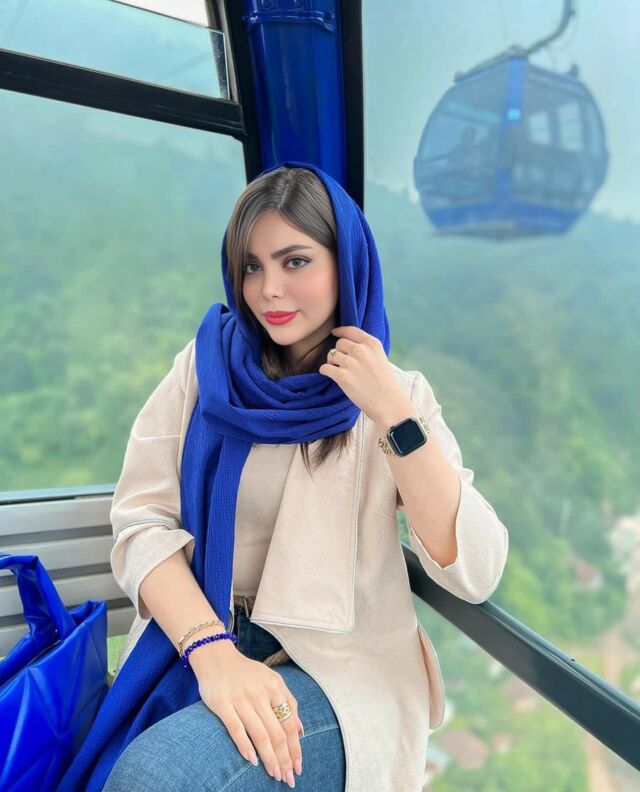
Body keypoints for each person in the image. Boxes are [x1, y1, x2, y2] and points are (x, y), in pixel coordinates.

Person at [56, 161, 509, 792]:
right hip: (200, 636)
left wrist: (392, 414)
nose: (269, 290)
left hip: (338, 672)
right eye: (252, 266)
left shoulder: (395, 395)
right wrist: (213, 653)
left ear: (346, 263)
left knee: (155, 776)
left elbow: (474, 570)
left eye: (296, 261)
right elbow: (142, 524)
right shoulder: (206, 368)